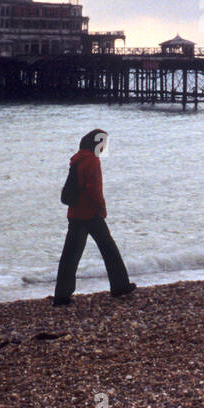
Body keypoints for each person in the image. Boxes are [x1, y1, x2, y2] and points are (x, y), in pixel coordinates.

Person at [53, 128, 136, 305]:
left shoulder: (76, 159)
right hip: (90, 213)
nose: (105, 147)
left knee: (70, 254)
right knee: (109, 249)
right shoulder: (92, 161)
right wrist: (101, 210)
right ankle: (120, 286)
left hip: (75, 212)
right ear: (97, 143)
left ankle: (61, 295)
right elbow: (94, 190)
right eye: (104, 143)